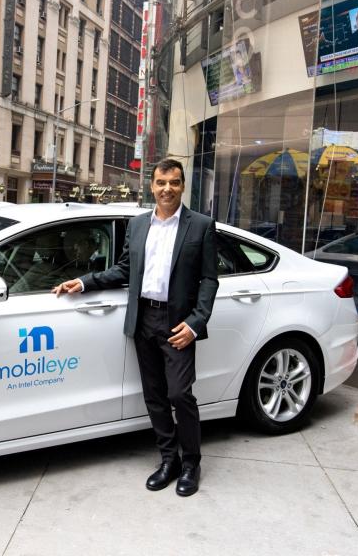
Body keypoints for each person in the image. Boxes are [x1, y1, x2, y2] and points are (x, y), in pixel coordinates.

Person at [53, 158, 219, 497]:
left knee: (179, 394)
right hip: (143, 319)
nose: (167, 189)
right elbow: (124, 269)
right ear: (152, 186)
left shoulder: (201, 226)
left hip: (178, 323)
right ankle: (168, 459)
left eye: (174, 182)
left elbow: (209, 280)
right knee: (155, 397)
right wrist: (83, 283)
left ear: (183, 185)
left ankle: (191, 463)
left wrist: (196, 322)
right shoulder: (138, 225)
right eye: (161, 182)